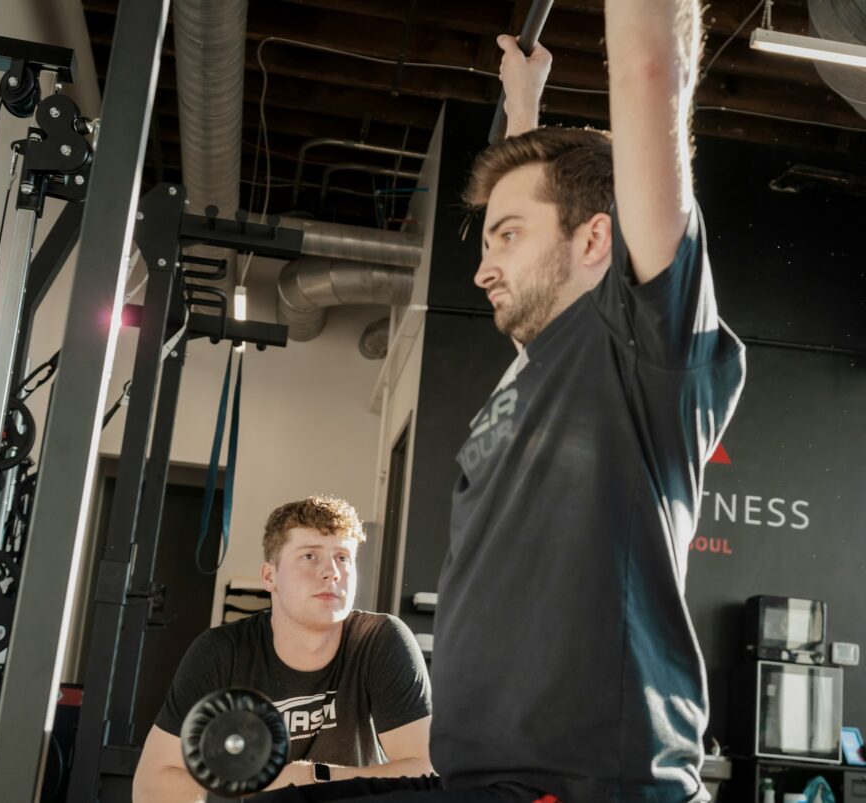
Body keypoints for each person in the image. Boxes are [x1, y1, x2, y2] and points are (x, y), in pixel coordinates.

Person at [253, 2, 745, 802]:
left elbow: (651, 70)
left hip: (587, 784)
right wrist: (524, 111)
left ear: (596, 239)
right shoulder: (539, 370)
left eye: (506, 237)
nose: (483, 269)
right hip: (481, 777)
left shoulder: (643, 346)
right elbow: (549, 221)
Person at [132, 495, 433, 803]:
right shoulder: (221, 652)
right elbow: (149, 787)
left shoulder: (381, 640)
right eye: (310, 556)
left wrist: (311, 777)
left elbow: (424, 772)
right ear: (269, 576)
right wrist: (267, 789)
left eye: (343, 557)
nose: (332, 572)